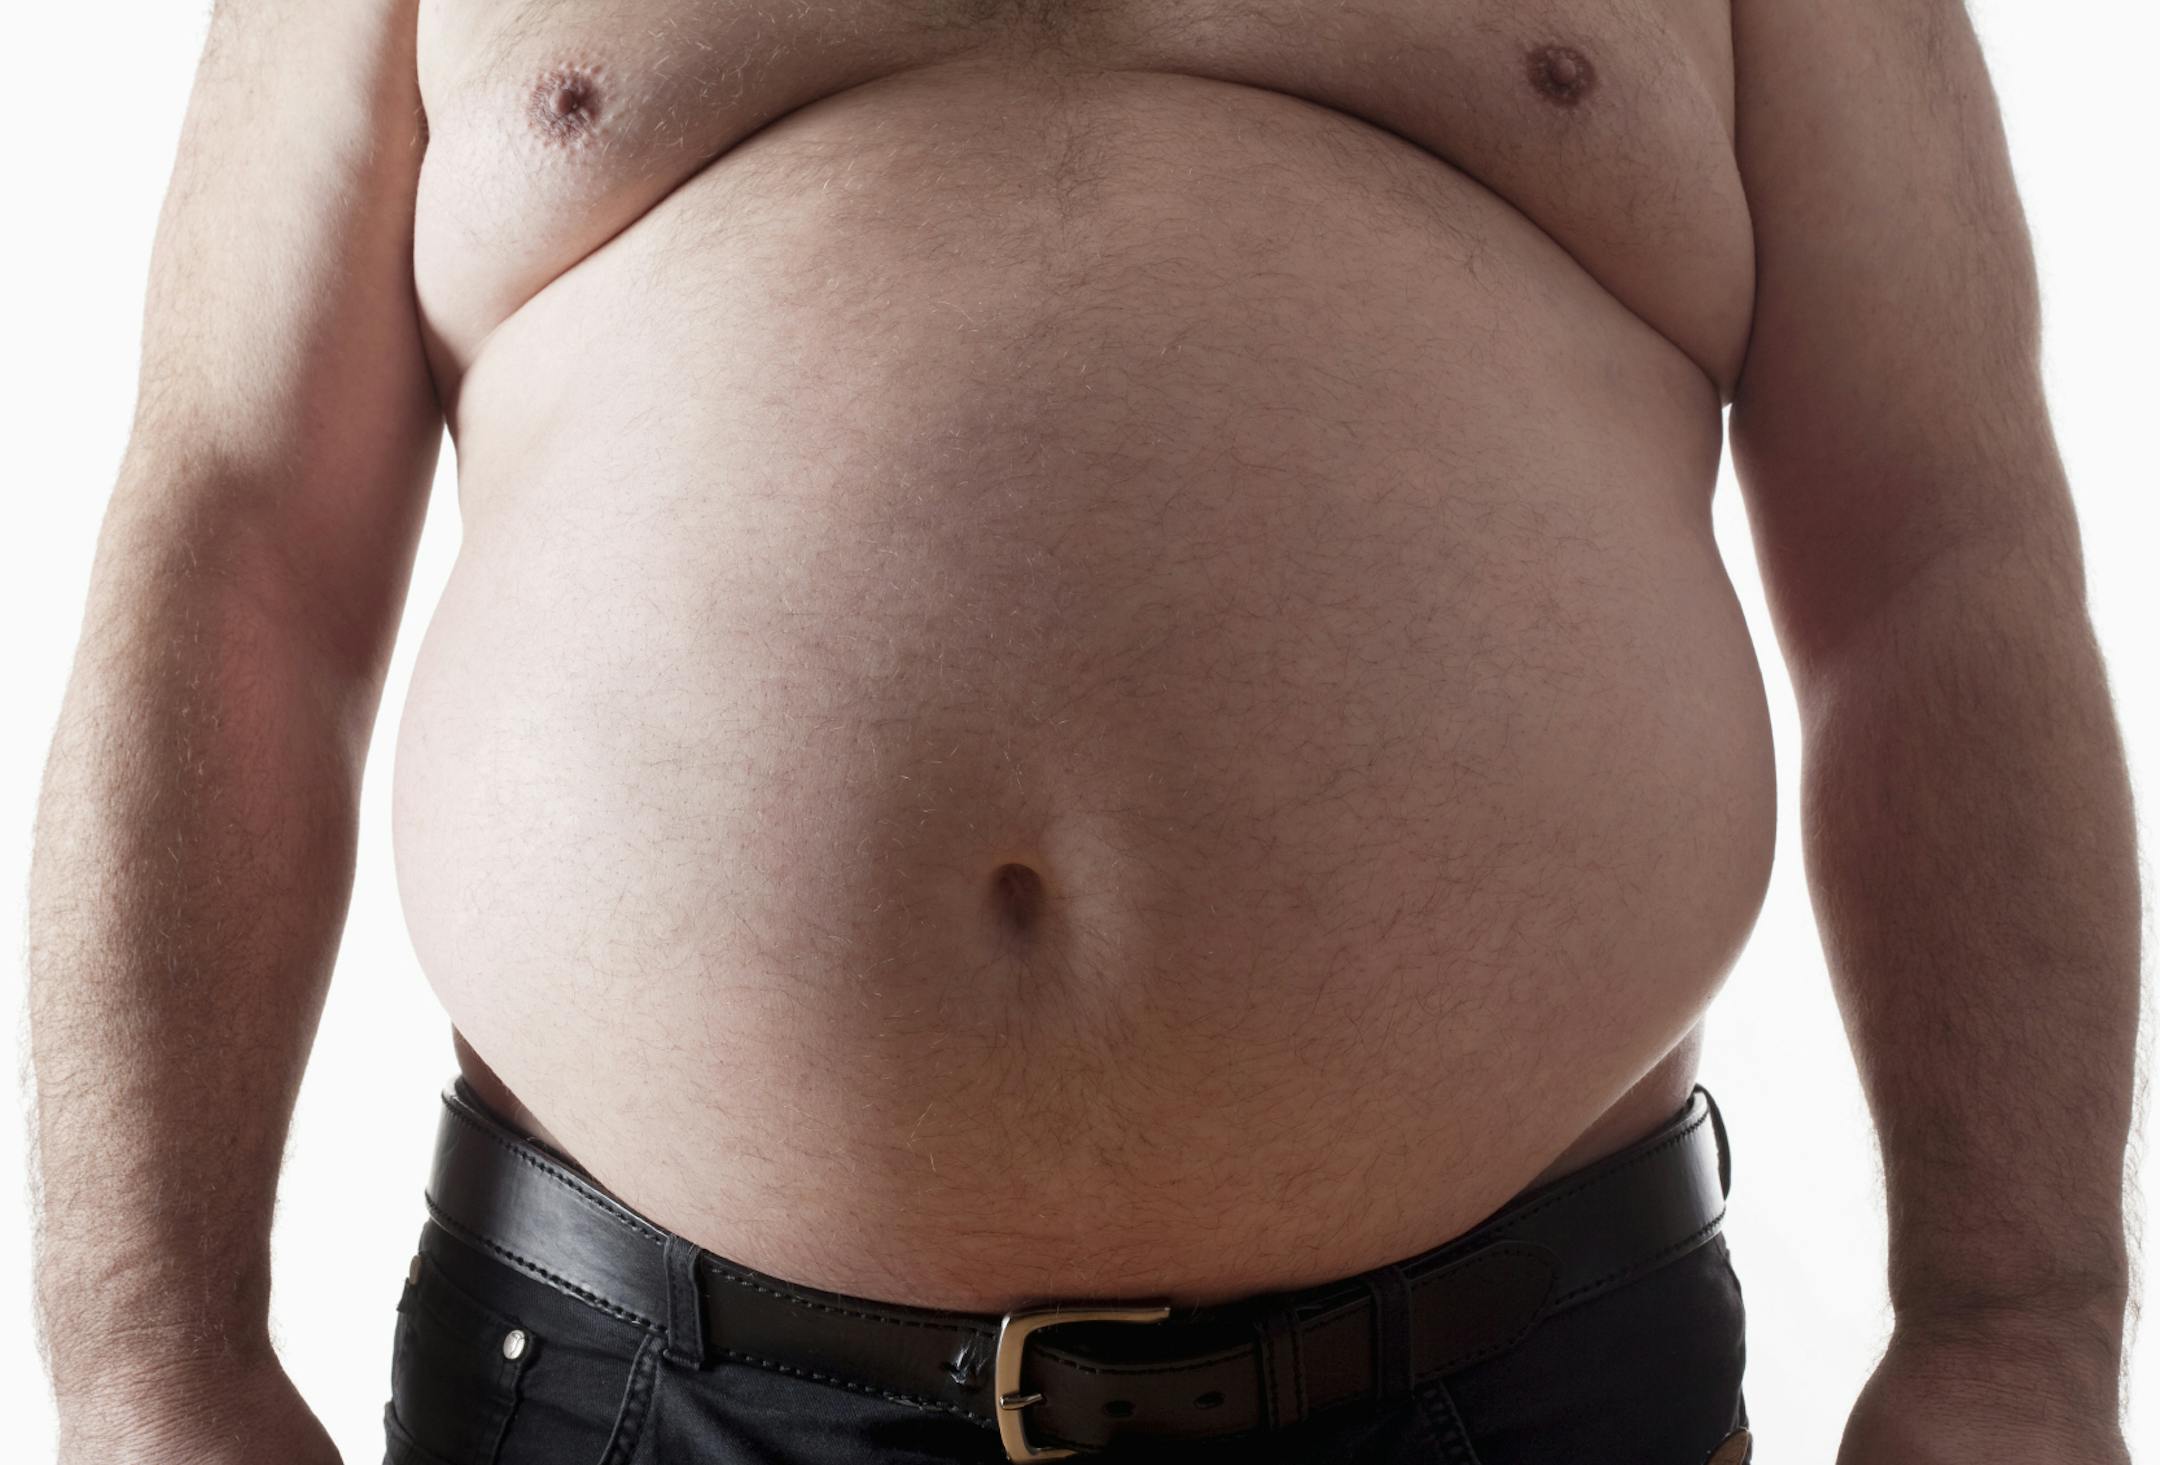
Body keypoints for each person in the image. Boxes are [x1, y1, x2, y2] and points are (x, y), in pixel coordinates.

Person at [26, 1, 2139, 1462]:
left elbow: (1941, 572)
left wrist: (2015, 1328)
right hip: (636, 1390)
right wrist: (148, 1373)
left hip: (1510, 1382)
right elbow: (235, 554)